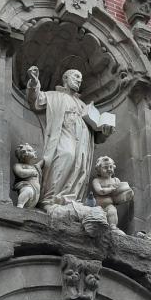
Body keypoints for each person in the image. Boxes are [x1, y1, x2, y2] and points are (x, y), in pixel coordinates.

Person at [27, 66, 115, 216]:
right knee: (66, 156)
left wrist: (105, 132)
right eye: (76, 77)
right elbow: (35, 101)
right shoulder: (54, 95)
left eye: (80, 79)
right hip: (64, 135)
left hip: (83, 141)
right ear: (65, 79)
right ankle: (52, 199)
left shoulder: (83, 105)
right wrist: (34, 83)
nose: (79, 80)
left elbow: (97, 136)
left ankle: (72, 200)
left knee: (79, 166)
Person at [91, 156, 134, 232]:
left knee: (112, 212)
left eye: (111, 167)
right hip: (97, 206)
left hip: (110, 205)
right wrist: (110, 189)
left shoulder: (115, 180)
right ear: (99, 170)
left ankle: (113, 227)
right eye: (105, 167)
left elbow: (118, 193)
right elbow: (100, 191)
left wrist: (125, 193)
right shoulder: (97, 181)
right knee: (97, 218)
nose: (109, 169)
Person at [12, 143, 43, 208]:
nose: (34, 152)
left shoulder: (35, 166)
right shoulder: (18, 165)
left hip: (36, 192)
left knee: (32, 194)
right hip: (27, 186)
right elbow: (20, 172)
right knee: (28, 191)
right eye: (31, 150)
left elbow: (43, 162)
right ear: (24, 154)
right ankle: (20, 205)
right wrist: (31, 172)